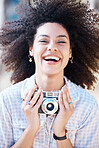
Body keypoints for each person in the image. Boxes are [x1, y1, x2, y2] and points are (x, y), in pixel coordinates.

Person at [0, 0, 99, 147]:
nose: (52, 47)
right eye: (44, 41)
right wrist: (31, 129)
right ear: (31, 49)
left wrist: (60, 133)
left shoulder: (87, 106)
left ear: (70, 52)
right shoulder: (7, 101)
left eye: (61, 42)